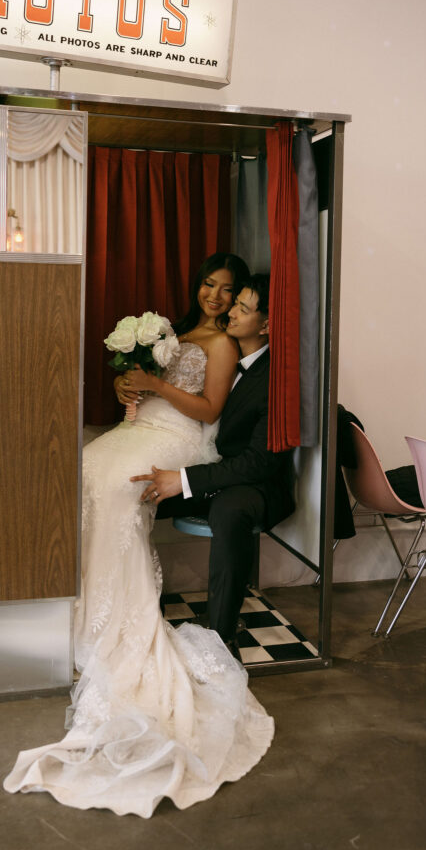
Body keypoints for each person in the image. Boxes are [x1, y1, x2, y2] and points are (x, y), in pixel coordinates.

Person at [4, 253, 279, 817]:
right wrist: (133, 390)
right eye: (209, 285)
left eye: (228, 292)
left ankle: (115, 621)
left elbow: (209, 409)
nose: (216, 298)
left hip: (183, 441)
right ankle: (72, 606)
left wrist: (155, 383)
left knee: (112, 486)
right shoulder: (176, 331)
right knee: (84, 467)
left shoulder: (223, 344)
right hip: (147, 426)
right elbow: (151, 386)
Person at [133, 274, 295, 653]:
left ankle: (222, 636)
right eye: (234, 302)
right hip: (217, 471)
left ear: (268, 324)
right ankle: (141, 613)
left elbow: (259, 462)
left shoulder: (275, 379)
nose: (231, 311)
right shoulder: (233, 358)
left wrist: (185, 480)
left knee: (230, 511)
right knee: (134, 492)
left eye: (242, 307)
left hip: (257, 485)